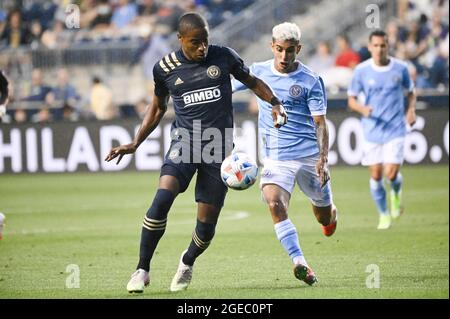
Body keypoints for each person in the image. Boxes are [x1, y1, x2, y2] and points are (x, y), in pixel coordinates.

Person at [104, 12, 287, 293]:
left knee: (206, 226)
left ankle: (187, 261)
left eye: (205, 41)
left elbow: (252, 82)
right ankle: (142, 269)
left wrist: (274, 102)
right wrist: (135, 142)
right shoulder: (164, 68)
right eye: (195, 43)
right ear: (180, 40)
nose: (202, 48)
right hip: (185, 143)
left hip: (219, 150)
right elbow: (157, 107)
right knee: (162, 198)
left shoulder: (224, 57)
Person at [232, 22, 338, 286]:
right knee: (274, 204)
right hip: (276, 158)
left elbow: (320, 123)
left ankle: (331, 216)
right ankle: (300, 261)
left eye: (290, 51)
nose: (283, 56)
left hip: (309, 158)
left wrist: (323, 159)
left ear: (298, 49)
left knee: (323, 217)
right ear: (272, 46)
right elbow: (224, 88)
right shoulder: (257, 72)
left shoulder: (311, 80)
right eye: (279, 49)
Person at [347, 30, 416, 230]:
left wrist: (410, 111)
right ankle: (384, 214)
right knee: (376, 175)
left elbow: (411, 92)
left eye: (383, 45)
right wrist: (362, 108)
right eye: (375, 45)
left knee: (391, 173)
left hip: (395, 127)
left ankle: (395, 192)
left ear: (388, 46)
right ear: (370, 47)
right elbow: (351, 99)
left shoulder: (400, 68)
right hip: (372, 130)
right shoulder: (361, 71)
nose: (379, 49)